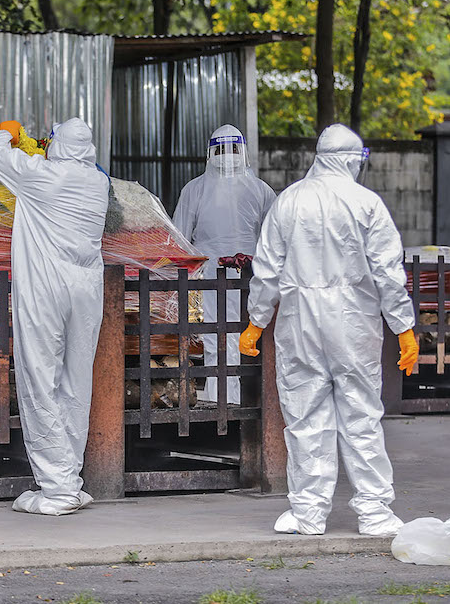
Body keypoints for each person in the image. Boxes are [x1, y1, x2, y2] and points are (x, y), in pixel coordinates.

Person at [238, 124, 418, 536]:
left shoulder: (289, 201)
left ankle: (308, 513)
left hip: (300, 324)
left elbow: (266, 270)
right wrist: (404, 328)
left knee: (304, 417)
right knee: (361, 416)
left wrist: (256, 321)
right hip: (353, 325)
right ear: (353, 160)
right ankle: (374, 513)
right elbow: (388, 274)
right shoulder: (367, 203)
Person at [0, 118, 110, 516]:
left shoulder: (44, 177)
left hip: (47, 286)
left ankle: (57, 490)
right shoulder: (98, 183)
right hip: (87, 288)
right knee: (75, 382)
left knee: (40, 378)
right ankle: (70, 477)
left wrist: (8, 130)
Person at [173, 125, 276, 404]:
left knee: (216, 337)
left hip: (210, 276)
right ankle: (240, 402)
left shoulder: (194, 189)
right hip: (250, 277)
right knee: (244, 336)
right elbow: (276, 238)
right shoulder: (261, 190)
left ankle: (224, 403)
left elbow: (178, 238)